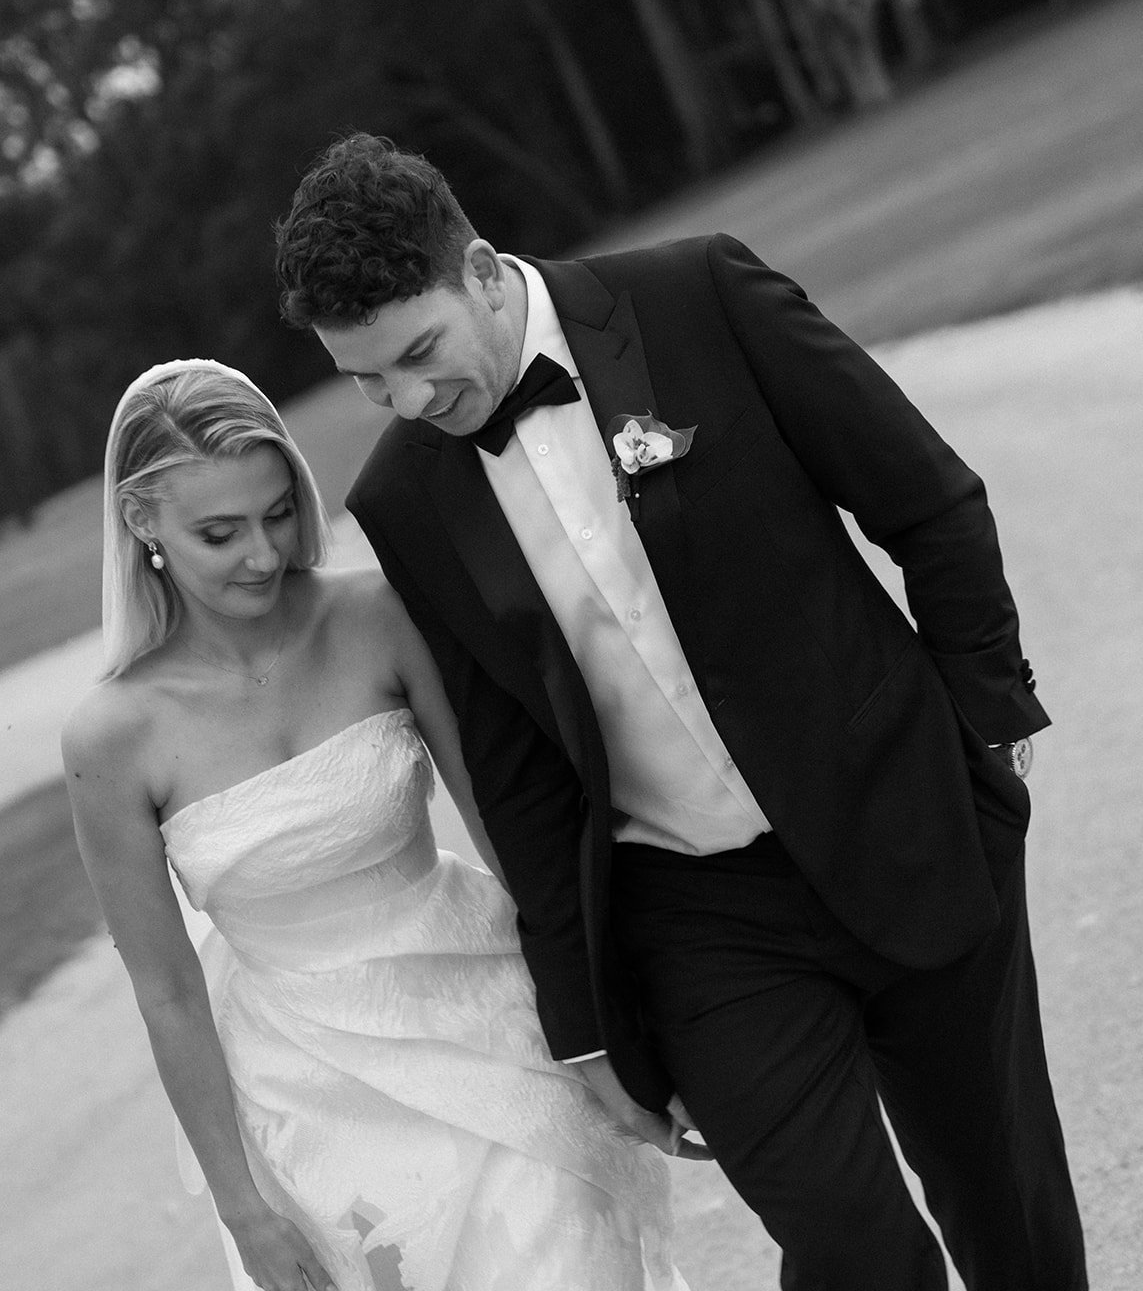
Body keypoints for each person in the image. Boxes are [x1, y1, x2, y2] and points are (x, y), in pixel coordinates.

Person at [274, 132, 1089, 1291]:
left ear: (484, 272)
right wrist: (588, 1024)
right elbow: (516, 775)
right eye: (367, 380)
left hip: (904, 816)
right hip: (702, 922)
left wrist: (987, 725)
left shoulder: (700, 297)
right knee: (853, 1250)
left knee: (1008, 1207)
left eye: (418, 353)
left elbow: (927, 500)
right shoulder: (403, 497)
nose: (408, 400)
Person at [63, 358, 695, 1291]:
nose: (263, 555)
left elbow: (505, 835)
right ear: (141, 521)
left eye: (280, 513)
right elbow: (167, 993)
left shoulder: (376, 614)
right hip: (304, 1088)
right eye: (220, 533)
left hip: (485, 1012)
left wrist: (610, 1027)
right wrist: (244, 1211)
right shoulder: (112, 738)